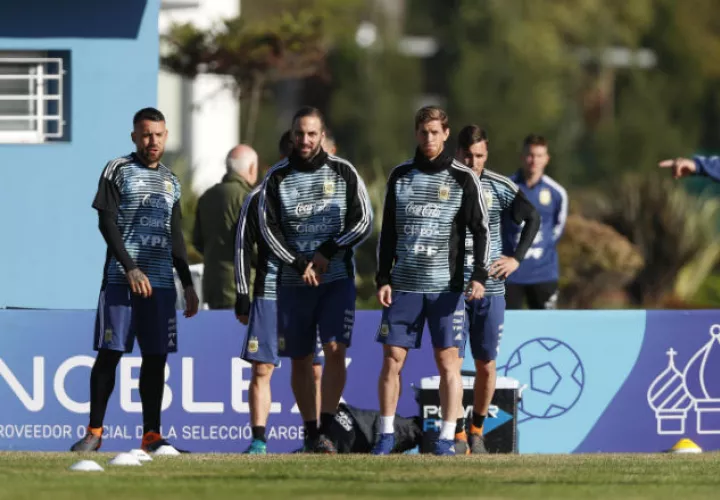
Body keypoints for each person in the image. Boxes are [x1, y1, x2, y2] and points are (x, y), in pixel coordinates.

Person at [71, 107, 199, 453]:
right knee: (110, 354)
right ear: (134, 137)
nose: (151, 141)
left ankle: (151, 437)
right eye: (145, 134)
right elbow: (107, 223)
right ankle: (95, 432)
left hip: (160, 286)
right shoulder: (118, 170)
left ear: (166, 136)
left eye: (157, 135)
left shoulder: (172, 181)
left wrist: (187, 283)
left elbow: (175, 236)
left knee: (156, 359)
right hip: (121, 281)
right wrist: (129, 268)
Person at [373, 106, 490, 456]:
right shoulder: (400, 176)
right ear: (416, 133)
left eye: (435, 133)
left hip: (445, 288)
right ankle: (385, 434)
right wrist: (383, 277)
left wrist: (479, 275)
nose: (429, 138)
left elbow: (480, 230)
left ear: (445, 134)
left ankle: (446, 437)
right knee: (392, 358)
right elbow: (388, 232)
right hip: (405, 284)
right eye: (423, 132)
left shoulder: (462, 177)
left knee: (448, 362)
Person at [259, 106, 373, 453]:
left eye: (312, 134)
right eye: (299, 134)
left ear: (322, 135)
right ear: (292, 135)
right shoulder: (276, 177)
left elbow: (364, 220)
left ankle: (326, 428)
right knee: (300, 358)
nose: (305, 140)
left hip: (336, 279)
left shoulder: (343, 171)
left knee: (336, 349)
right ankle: (310, 431)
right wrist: (298, 263)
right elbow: (267, 228)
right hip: (294, 283)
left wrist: (328, 251)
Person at [233, 138, 324, 455]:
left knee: (309, 366)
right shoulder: (258, 196)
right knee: (262, 369)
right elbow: (242, 245)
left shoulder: (317, 198)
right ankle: (259, 440)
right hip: (270, 293)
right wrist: (242, 293)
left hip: (307, 296)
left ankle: (313, 437)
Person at [453, 125, 540, 454]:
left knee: (486, 363)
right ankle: (456, 433)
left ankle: (476, 430)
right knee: (451, 363)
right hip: (450, 290)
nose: (473, 161)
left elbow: (533, 218)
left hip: (489, 289)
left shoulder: (499, 186)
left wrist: (516, 259)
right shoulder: (443, 182)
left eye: (479, 156)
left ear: (486, 155)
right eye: (467, 155)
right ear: (457, 153)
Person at [502, 134, 568, 310]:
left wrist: (540, 246)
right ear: (522, 157)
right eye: (530, 155)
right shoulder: (506, 187)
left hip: (544, 274)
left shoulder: (557, 192)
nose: (534, 160)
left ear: (546, 159)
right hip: (509, 274)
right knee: (507, 328)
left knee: (546, 328)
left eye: (539, 156)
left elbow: (557, 228)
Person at [193, 145, 258, 309]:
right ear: (251, 168)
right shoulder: (248, 198)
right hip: (244, 290)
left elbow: (198, 241)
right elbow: (257, 248)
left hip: (213, 288)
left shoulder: (206, 197)